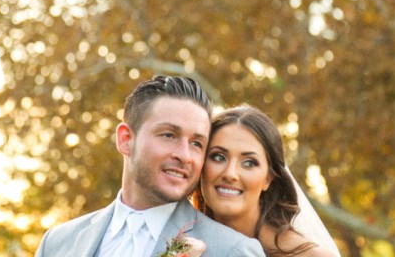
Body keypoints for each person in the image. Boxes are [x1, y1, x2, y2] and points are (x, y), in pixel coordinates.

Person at [35, 76, 264, 257]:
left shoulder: (233, 251)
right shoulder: (57, 242)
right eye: (169, 135)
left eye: (196, 143)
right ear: (126, 139)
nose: (185, 155)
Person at [193, 106, 340, 257]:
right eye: (218, 157)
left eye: (249, 163)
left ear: (268, 178)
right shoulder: (184, 240)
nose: (230, 174)